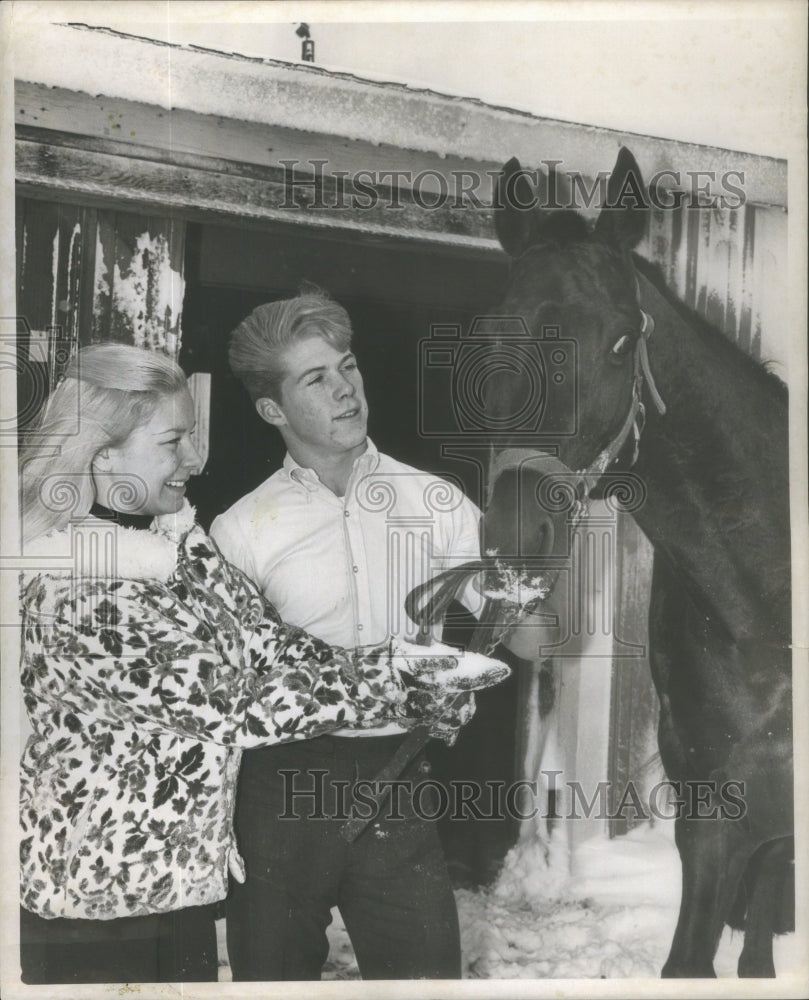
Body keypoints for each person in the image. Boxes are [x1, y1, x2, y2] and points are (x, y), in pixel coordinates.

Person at [17, 343, 508, 986]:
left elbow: (271, 645)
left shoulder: (177, 546)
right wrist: (397, 678)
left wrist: (409, 669)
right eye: (173, 441)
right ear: (103, 453)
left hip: (178, 889)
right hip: (98, 900)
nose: (194, 459)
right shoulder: (77, 590)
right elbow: (238, 703)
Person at [210, 289, 486, 981]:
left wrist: (536, 545)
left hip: (400, 775)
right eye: (315, 378)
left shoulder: (439, 502)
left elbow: (538, 639)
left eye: (348, 366)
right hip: (280, 787)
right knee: (271, 981)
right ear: (272, 410)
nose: (345, 390)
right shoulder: (240, 530)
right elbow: (231, 683)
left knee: (425, 979)